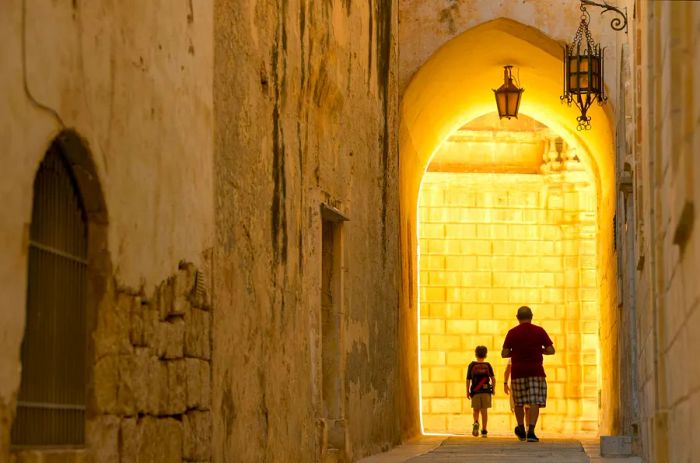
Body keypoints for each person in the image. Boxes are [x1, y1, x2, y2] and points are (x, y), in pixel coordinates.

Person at [501, 306, 555, 443]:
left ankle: (521, 429)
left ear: (517, 317)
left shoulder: (512, 333)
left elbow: (504, 353)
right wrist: (540, 350)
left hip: (518, 372)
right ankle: (531, 431)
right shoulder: (539, 331)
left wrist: (516, 351)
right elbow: (551, 350)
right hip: (536, 371)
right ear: (531, 316)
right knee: (535, 401)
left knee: (519, 402)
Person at [466, 345, 496, 438]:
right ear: (485, 355)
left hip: (475, 391)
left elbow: (468, 379)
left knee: (476, 410)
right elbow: (493, 379)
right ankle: (484, 430)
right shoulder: (488, 365)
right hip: (486, 391)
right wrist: (493, 389)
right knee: (484, 411)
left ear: (476, 354)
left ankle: (475, 422)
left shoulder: (472, 365)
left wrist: (467, 391)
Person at [504, 358, 529, 428]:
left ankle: (521, 426)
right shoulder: (530, 354)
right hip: (528, 383)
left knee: (518, 406)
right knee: (527, 407)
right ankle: (527, 428)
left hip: (516, 382)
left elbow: (507, 371)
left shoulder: (513, 356)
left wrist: (505, 383)